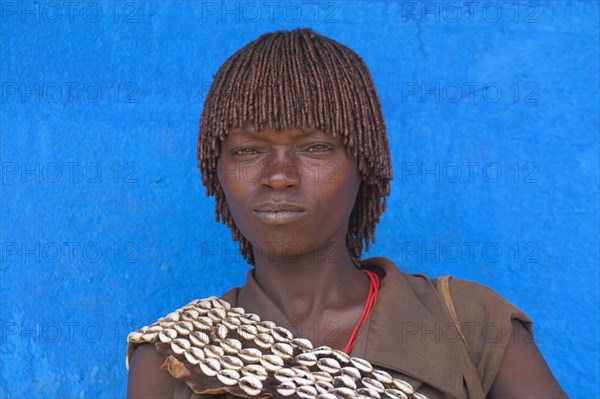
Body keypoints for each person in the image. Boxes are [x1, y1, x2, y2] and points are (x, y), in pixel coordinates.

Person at [126, 28, 568, 399]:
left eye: (316, 147)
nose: (279, 176)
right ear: (215, 172)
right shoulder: (174, 356)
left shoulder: (470, 322)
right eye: (248, 150)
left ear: (366, 164)